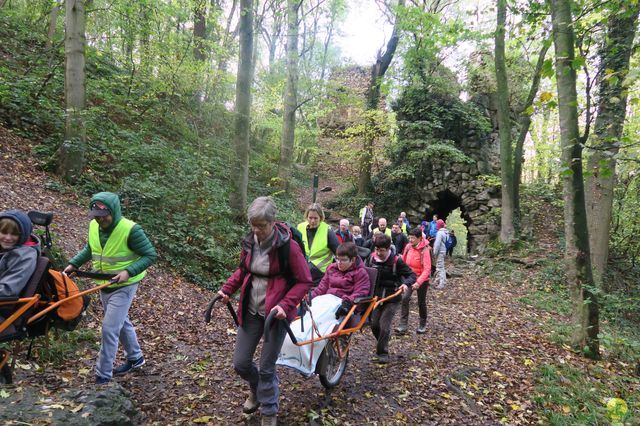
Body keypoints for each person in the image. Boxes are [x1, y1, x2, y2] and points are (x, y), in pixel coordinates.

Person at [218, 197, 312, 426]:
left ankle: (269, 412)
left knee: (267, 368)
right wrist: (227, 289)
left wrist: (286, 305)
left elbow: (304, 281)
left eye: (261, 225)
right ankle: (256, 389)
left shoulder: (287, 247)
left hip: (275, 315)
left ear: (272, 222)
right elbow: (243, 270)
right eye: (254, 225)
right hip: (250, 309)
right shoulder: (250, 242)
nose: (256, 230)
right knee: (240, 363)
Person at [64, 192, 157, 385]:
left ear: (114, 211)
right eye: (96, 216)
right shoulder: (94, 226)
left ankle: (103, 376)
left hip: (125, 285)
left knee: (109, 328)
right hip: (105, 284)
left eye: (104, 215)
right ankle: (136, 358)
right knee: (120, 322)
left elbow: (150, 255)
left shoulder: (131, 229)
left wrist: (128, 272)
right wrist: (74, 264)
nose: (100, 219)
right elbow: (91, 248)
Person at [367, 234, 416, 364]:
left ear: (388, 248)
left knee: (384, 325)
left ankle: (383, 353)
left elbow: (412, 275)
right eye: (377, 249)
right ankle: (383, 341)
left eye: (382, 250)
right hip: (376, 298)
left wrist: (405, 284)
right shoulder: (371, 259)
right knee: (374, 324)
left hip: (392, 297)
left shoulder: (396, 261)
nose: (379, 253)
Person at [311, 242, 370, 327]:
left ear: (353, 260)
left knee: (321, 320)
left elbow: (361, 292)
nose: (339, 262)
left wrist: (347, 303)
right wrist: (310, 298)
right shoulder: (331, 268)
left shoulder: (360, 273)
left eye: (343, 260)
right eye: (337, 259)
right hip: (326, 300)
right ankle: (297, 337)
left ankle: (315, 339)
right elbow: (322, 288)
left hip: (342, 303)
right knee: (310, 314)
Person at [396, 228, 431, 335]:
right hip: (410, 277)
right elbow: (404, 262)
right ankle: (403, 325)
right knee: (405, 298)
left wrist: (418, 282)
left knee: (421, 302)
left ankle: (422, 324)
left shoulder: (424, 250)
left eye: (413, 238)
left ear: (419, 238)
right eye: (409, 237)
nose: (410, 240)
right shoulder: (408, 247)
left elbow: (427, 269)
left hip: (422, 279)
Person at [0, 210, 40, 299]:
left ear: (23, 236)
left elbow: (8, 290)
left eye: (14, 234)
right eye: (4, 232)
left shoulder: (25, 257)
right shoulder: (4, 247)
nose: (7, 238)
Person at [297, 203, 339, 285]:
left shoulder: (327, 231)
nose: (312, 221)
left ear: (321, 218)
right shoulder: (300, 227)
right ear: (306, 217)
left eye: (316, 218)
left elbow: (340, 252)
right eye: (310, 218)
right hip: (304, 265)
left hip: (320, 270)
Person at [432, 219, 448, 289]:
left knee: (440, 267)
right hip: (443, 251)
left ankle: (442, 283)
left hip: (440, 251)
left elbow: (437, 244)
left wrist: (434, 253)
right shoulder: (445, 232)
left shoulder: (439, 233)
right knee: (440, 266)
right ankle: (437, 281)